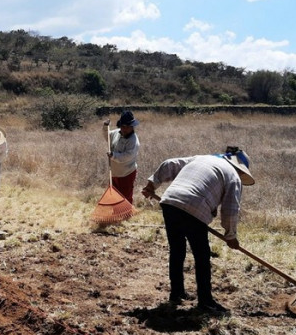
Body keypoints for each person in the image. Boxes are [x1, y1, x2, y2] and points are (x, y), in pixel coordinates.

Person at [141, 146, 255, 314]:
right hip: (194, 207)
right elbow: (230, 210)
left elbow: (169, 164)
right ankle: (206, 301)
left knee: (177, 250)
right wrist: (231, 236)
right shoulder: (232, 176)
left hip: (170, 201)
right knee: (202, 256)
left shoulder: (201, 158)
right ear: (239, 168)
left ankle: (176, 293)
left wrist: (152, 185)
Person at [103, 111, 140, 204]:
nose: (127, 129)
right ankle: (116, 213)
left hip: (127, 173)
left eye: (129, 127)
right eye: (124, 126)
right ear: (121, 126)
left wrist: (113, 155)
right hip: (115, 172)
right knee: (114, 195)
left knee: (125, 196)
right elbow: (107, 136)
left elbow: (127, 156)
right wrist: (105, 127)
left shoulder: (133, 140)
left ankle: (126, 215)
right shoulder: (115, 133)